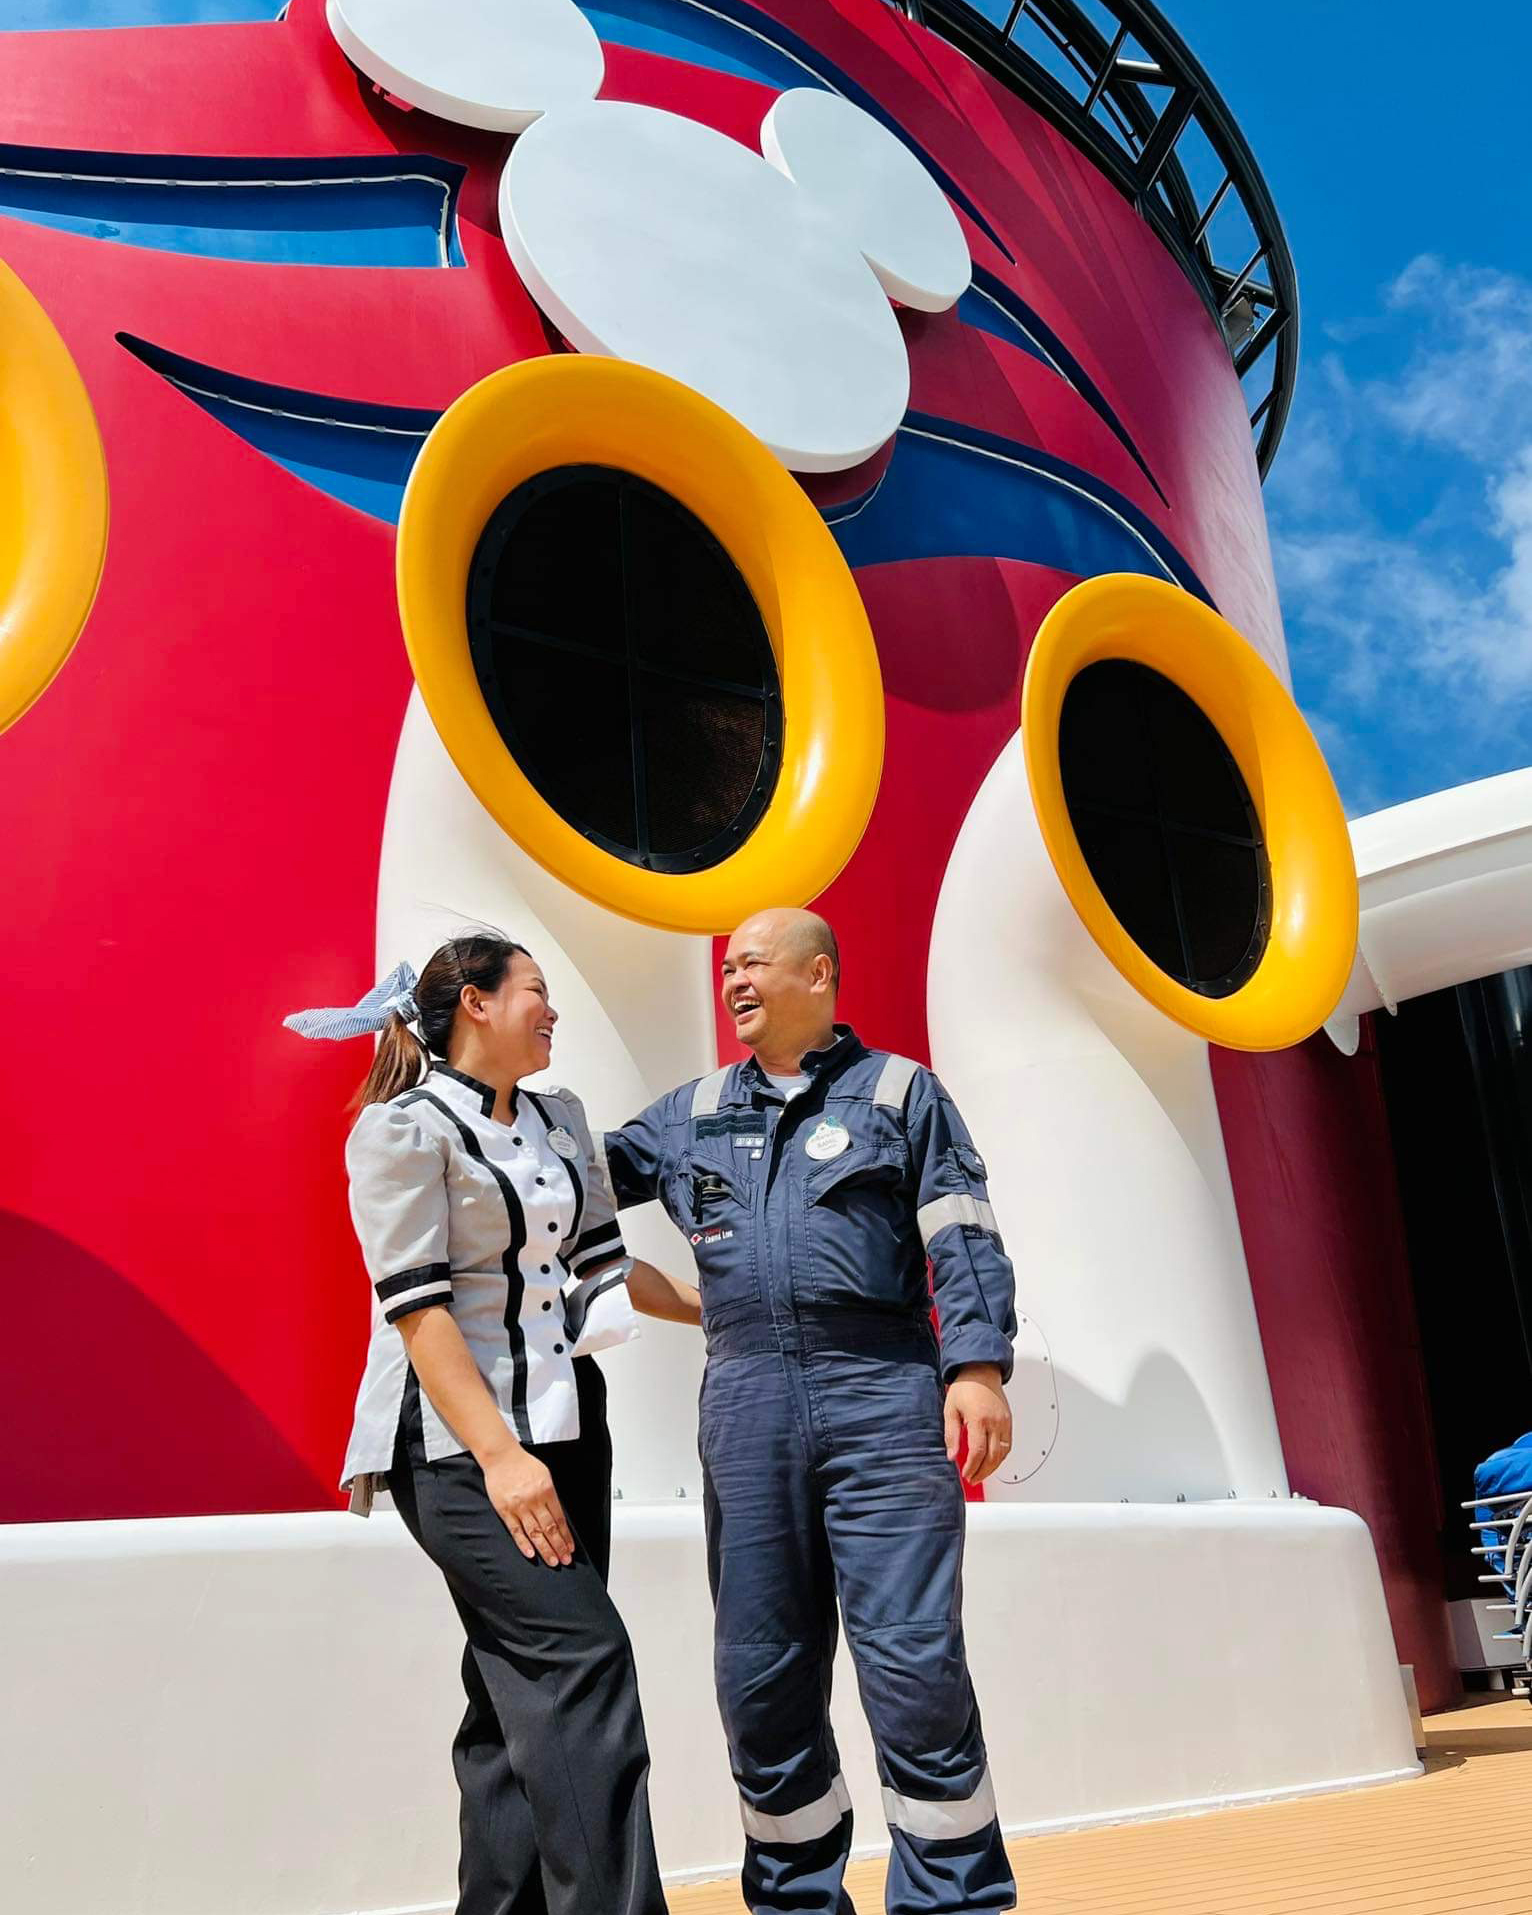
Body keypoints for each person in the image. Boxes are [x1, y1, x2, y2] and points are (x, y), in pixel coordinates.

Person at [604, 907, 1018, 1915]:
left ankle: (950, 1901)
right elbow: (553, 1187)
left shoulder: (899, 1093)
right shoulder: (689, 1111)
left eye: (750, 962)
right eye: (723, 968)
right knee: (759, 1675)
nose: (731, 980)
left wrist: (976, 1366)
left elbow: (960, 1230)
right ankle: (794, 1902)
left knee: (913, 1664)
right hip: (744, 1403)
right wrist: (444, 1098)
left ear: (817, 973)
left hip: (879, 1390)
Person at [285, 934, 699, 1915]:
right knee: (583, 1664)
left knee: (510, 1692)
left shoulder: (561, 1118)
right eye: (537, 991)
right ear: (475, 1002)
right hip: (458, 1442)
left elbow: (604, 1270)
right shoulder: (400, 1130)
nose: (552, 1011)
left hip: (565, 1427)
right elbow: (420, 1311)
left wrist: (726, 1301)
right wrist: (502, 1456)